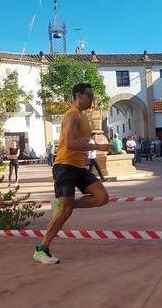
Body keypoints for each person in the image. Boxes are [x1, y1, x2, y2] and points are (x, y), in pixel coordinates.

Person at [33, 83, 113, 265]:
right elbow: (70, 143)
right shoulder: (71, 115)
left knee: (102, 197)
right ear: (78, 95)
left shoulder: (82, 116)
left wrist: (84, 155)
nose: (92, 98)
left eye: (93, 95)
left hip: (78, 166)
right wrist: (97, 146)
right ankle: (41, 248)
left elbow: (80, 141)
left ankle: (65, 205)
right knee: (65, 211)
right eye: (89, 95)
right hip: (64, 166)